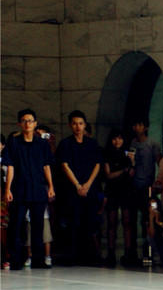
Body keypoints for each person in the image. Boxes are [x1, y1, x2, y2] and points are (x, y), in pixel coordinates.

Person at [3, 109, 55, 270]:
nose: (27, 124)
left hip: (38, 188)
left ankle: (39, 259)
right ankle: (16, 259)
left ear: (35, 123)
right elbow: (10, 166)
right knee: (16, 225)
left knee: (38, 226)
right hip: (20, 188)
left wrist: (51, 186)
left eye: (30, 120)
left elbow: (46, 166)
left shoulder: (42, 144)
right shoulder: (14, 143)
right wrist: (8, 189)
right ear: (19, 123)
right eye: (24, 121)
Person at [55, 110, 103, 266]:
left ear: (85, 125)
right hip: (72, 189)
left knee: (89, 223)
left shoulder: (92, 143)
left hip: (90, 188)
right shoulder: (65, 143)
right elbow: (64, 166)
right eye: (75, 123)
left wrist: (87, 184)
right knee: (73, 222)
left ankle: (88, 256)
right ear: (70, 125)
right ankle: (70, 256)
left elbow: (97, 164)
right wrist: (77, 185)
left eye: (81, 123)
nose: (78, 126)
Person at [128, 117, 162, 266]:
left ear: (146, 127)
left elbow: (159, 163)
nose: (137, 127)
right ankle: (132, 252)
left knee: (149, 218)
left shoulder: (153, 144)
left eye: (140, 124)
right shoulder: (132, 143)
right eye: (135, 124)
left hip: (148, 188)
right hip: (134, 186)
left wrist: (157, 181)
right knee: (132, 220)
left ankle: (149, 252)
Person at [103, 128, 135, 267]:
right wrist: (123, 171)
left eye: (120, 138)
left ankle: (128, 252)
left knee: (127, 221)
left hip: (126, 189)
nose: (118, 141)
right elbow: (108, 175)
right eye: (115, 138)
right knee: (112, 221)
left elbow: (132, 173)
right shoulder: (107, 154)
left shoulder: (128, 153)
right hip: (112, 190)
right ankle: (111, 252)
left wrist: (132, 163)